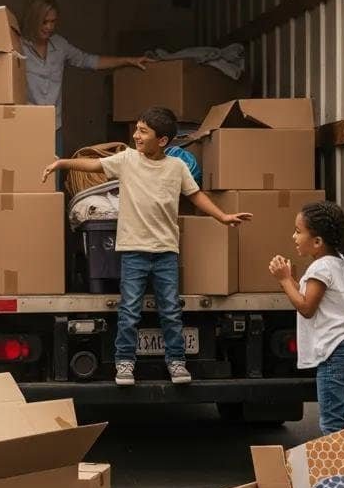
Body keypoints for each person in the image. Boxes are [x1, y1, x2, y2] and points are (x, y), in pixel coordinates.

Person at [43, 106, 252, 386]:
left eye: (143, 131)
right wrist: (61, 164)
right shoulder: (127, 160)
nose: (136, 135)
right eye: (137, 129)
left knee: (170, 311)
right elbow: (94, 165)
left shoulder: (177, 168)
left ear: (162, 140)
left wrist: (223, 217)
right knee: (129, 310)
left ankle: (176, 363)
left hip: (166, 252)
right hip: (133, 252)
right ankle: (125, 364)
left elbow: (196, 195)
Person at [268, 201, 344, 434]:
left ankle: (333, 471)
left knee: (331, 423)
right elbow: (308, 298)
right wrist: (290, 278)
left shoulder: (320, 268)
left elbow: (306, 307)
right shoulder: (340, 263)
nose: (294, 236)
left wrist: (283, 280)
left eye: (298, 231)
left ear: (318, 241)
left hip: (334, 353)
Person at [19, 0, 151, 154]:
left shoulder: (59, 45)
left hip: (54, 126)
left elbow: (89, 60)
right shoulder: (18, 46)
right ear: (33, 20)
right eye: (44, 22)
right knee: (27, 174)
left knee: (54, 174)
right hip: (25, 124)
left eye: (53, 22)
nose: (49, 27)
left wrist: (128, 60)